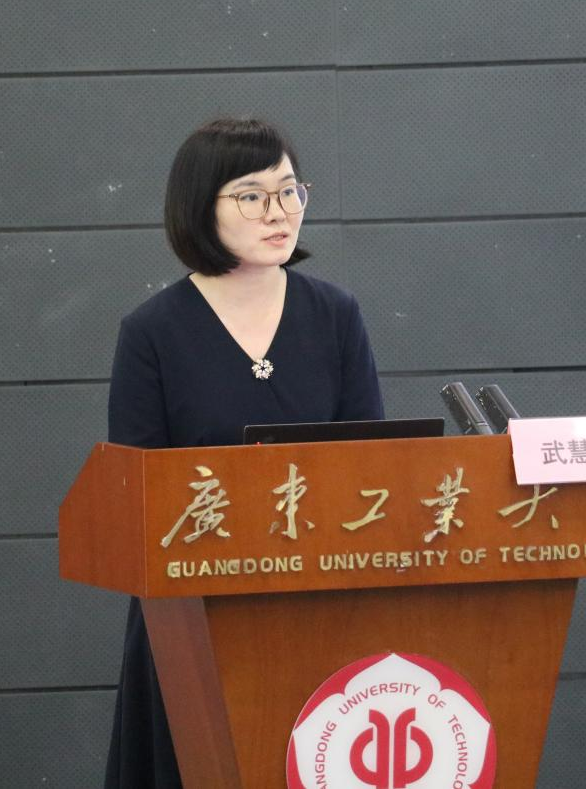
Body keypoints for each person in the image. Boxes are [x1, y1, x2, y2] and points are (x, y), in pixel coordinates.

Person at [103, 117, 384, 787]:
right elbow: (133, 488)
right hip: (193, 615)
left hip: (316, 601)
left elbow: (372, 463)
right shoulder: (152, 332)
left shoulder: (335, 314)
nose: (279, 212)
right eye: (252, 196)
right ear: (201, 206)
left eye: (289, 191)